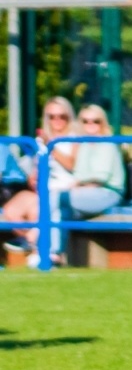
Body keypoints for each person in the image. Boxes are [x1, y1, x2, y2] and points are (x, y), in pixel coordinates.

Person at [1, 96, 80, 261]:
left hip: (65, 188)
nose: (57, 121)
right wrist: (33, 178)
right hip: (44, 188)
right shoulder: (40, 141)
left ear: (69, 117)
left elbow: (72, 165)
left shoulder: (74, 137)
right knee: (11, 210)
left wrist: (50, 146)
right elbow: (38, 168)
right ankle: (32, 242)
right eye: (52, 116)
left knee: (39, 209)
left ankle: (40, 249)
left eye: (62, 116)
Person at [50, 104, 125, 256]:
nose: (90, 125)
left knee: (58, 198)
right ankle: (53, 254)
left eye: (95, 121)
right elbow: (79, 175)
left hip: (108, 193)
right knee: (58, 211)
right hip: (86, 192)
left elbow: (100, 179)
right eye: (85, 121)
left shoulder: (107, 144)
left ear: (102, 123)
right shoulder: (83, 144)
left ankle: (34, 239)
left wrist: (77, 186)